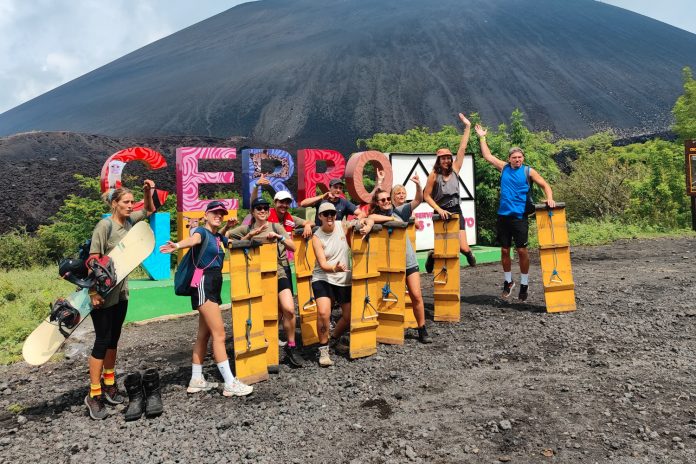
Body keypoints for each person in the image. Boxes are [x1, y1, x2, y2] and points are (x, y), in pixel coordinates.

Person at [159, 201, 253, 398]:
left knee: (205, 334)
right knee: (219, 334)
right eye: (215, 213)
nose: (219, 215)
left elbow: (221, 239)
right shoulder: (200, 231)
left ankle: (196, 379)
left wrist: (228, 227)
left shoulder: (217, 236)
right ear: (206, 215)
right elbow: (193, 240)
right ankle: (229, 383)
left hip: (213, 284)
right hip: (203, 284)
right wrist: (176, 245)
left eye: (221, 213)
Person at [84, 180, 156, 420]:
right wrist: (93, 293)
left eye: (131, 202)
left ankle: (110, 382)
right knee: (102, 341)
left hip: (121, 294)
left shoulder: (129, 222)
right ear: (114, 204)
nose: (130, 205)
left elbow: (149, 210)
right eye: (125, 202)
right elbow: (93, 260)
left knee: (114, 339)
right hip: (102, 296)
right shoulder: (104, 227)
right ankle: (94, 394)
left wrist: (147, 192)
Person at [474, 123, 556, 301]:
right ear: (509, 159)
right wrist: (482, 137)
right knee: (504, 251)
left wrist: (549, 197)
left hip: (520, 217)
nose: (517, 160)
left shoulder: (528, 171)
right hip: (503, 216)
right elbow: (487, 156)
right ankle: (508, 281)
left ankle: (524, 283)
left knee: (522, 251)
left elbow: (545, 185)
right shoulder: (504, 168)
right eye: (514, 157)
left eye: (519, 157)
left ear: (523, 158)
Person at [226, 198, 307, 367]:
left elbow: (293, 246)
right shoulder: (245, 228)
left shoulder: (276, 226)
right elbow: (226, 239)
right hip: (257, 275)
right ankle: (264, 349)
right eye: (258, 208)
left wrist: (279, 237)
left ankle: (291, 346)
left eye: (265, 208)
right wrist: (249, 236)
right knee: (263, 313)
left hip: (279, 271)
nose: (262, 210)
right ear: (253, 212)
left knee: (289, 309)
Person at [368, 178, 432, 344]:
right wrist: (390, 221)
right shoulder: (375, 216)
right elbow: (371, 217)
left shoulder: (400, 211)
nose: (387, 202)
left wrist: (418, 185)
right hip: (387, 266)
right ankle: (384, 329)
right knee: (385, 297)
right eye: (383, 200)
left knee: (416, 295)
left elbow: (418, 200)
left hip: (408, 261)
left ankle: (422, 328)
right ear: (378, 202)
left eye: (388, 199)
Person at [311, 202, 374, 366]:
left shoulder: (342, 225)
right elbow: (323, 264)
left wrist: (366, 226)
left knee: (348, 316)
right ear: (320, 217)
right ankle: (323, 350)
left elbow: (365, 219)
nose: (330, 216)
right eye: (326, 214)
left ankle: (333, 339)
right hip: (323, 277)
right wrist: (335, 268)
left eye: (332, 213)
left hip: (343, 278)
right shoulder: (316, 237)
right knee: (324, 313)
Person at [423, 112, 477, 270]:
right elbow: (427, 196)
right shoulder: (433, 175)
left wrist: (468, 127)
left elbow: (462, 148)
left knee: (463, 247)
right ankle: (431, 255)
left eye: (448, 157)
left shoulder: (455, 169)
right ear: (439, 160)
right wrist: (439, 210)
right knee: (443, 247)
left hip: (456, 210)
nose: (446, 160)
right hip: (441, 211)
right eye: (443, 158)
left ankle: (468, 253)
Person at [300, 178, 366, 225]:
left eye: (340, 188)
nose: (338, 190)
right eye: (335, 187)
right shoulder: (321, 199)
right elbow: (303, 204)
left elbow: (362, 214)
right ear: (330, 188)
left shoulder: (344, 202)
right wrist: (322, 196)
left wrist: (354, 221)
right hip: (319, 233)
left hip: (336, 234)